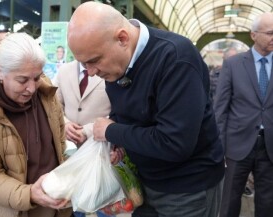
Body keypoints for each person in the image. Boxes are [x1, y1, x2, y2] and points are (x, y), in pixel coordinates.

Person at [67, 2, 224, 217]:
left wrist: (111, 131)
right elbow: (127, 114)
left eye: (94, 61)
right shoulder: (115, 64)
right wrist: (119, 143)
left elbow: (174, 143)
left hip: (186, 190)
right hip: (144, 183)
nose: (91, 72)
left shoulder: (176, 58)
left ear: (122, 38)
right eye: (84, 65)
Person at [0, 32, 72, 217]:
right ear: (0, 71)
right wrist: (29, 195)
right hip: (5, 210)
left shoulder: (45, 93)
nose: (32, 88)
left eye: (36, 77)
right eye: (22, 80)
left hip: (51, 204)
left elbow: (60, 143)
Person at [214, 12, 273, 217]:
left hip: (270, 146)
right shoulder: (234, 64)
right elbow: (220, 108)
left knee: (268, 203)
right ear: (254, 35)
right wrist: (219, 147)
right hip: (237, 145)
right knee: (229, 200)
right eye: (270, 33)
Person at [55, 60, 115, 217]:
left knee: (102, 204)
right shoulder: (64, 70)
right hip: (69, 151)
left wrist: (88, 130)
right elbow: (54, 105)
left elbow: (119, 111)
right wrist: (65, 124)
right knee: (74, 203)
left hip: (101, 151)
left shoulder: (110, 70)